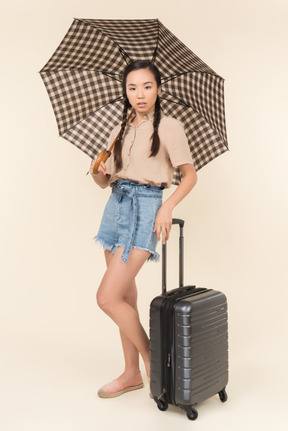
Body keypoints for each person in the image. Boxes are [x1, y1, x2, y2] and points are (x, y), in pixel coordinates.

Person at [89, 60, 197, 399]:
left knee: (106, 298)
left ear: (159, 89)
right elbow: (104, 182)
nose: (139, 94)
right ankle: (131, 373)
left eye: (147, 86)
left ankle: (153, 360)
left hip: (145, 208)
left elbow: (190, 174)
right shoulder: (120, 128)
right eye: (132, 87)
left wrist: (167, 206)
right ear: (125, 90)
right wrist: (98, 171)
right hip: (116, 207)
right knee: (124, 297)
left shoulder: (170, 127)